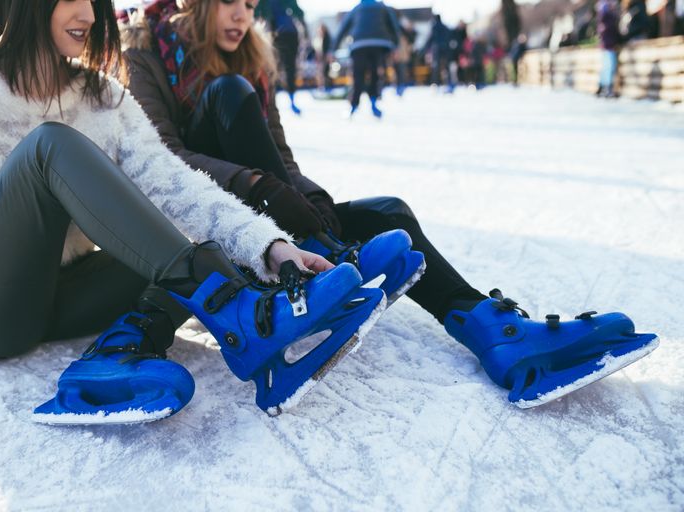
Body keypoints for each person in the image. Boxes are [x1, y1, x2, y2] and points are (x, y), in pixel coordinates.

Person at [122, 0, 659, 410]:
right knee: (228, 92)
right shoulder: (146, 53)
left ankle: (497, 336)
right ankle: (318, 264)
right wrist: (261, 185)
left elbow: (281, 155)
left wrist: (309, 201)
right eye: (229, 3)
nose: (243, 15)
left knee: (388, 211)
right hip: (217, 234)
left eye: (250, 4)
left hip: (280, 219)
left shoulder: (251, 57)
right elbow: (162, 158)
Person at [0, 0, 388, 424]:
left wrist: (272, 247)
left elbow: (178, 186)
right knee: (49, 146)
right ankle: (237, 311)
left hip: (61, 299)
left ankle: (153, 343)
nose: (88, 15)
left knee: (179, 233)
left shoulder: (103, 97)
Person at [330, 0, 401, 117]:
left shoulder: (356, 8)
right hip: (379, 43)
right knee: (375, 74)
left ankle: (353, 106)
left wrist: (332, 49)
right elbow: (394, 26)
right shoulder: (382, 7)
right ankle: (373, 102)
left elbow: (342, 29)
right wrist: (396, 45)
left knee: (358, 75)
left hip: (359, 45)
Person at [255, 0, 305, 114]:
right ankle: (289, 102)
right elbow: (299, 12)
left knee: (272, 70)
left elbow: (256, 12)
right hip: (289, 32)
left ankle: (272, 103)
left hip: (275, 34)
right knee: (288, 69)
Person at [596, 0, 621, 97]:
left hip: (606, 44)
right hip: (609, 45)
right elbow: (613, 31)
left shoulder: (603, 16)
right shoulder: (608, 17)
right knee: (609, 66)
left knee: (606, 66)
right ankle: (607, 88)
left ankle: (602, 87)